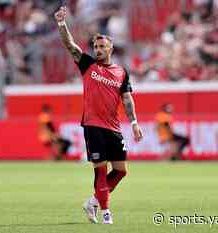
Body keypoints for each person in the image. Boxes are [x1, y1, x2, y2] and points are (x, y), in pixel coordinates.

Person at [54, 6, 143, 224]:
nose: (98, 49)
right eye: (95, 46)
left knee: (121, 171)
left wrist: (134, 123)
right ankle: (105, 213)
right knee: (101, 173)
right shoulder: (88, 65)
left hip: (114, 128)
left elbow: (127, 98)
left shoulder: (121, 72)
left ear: (110, 48)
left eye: (102, 46)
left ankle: (92, 202)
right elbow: (70, 46)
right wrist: (61, 24)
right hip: (93, 126)